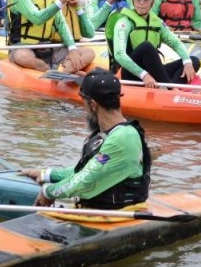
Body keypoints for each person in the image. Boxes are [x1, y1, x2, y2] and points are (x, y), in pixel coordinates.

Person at [19, 68, 151, 209]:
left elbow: (86, 181)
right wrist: (48, 174)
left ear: (93, 105)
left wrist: (48, 192)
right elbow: (86, 170)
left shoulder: (123, 138)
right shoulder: (107, 133)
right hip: (98, 209)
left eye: (84, 102)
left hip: (117, 214)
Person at [109, 0, 200, 88]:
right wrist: (144, 75)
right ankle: (170, 88)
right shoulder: (124, 22)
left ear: (152, 2)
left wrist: (187, 62)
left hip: (152, 71)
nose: (141, 3)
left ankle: (168, 88)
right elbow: (119, 54)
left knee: (193, 61)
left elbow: (175, 43)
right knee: (146, 47)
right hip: (131, 73)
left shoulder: (157, 22)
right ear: (133, 1)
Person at [46, 0, 96, 70]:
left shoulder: (74, 4)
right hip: (57, 47)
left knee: (83, 67)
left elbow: (90, 33)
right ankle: (62, 74)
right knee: (89, 53)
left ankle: (69, 71)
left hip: (75, 46)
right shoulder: (50, 4)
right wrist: (61, 2)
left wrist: (78, 8)